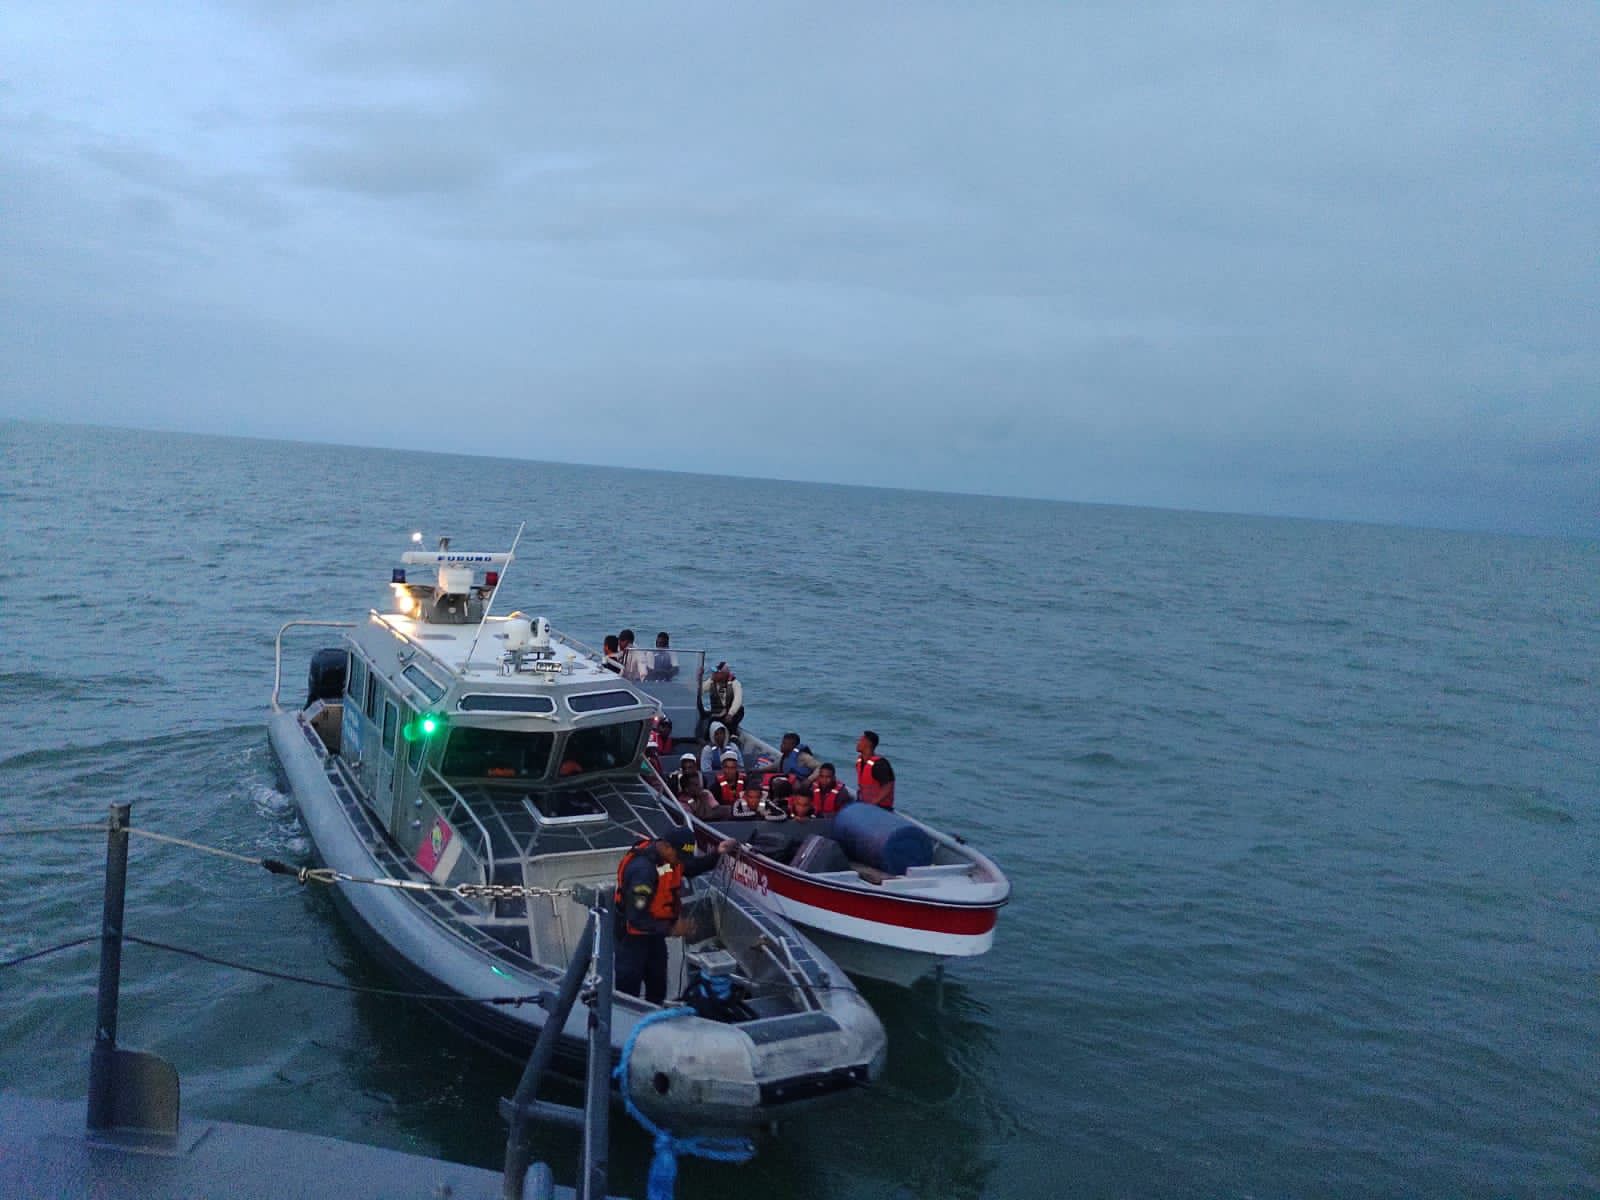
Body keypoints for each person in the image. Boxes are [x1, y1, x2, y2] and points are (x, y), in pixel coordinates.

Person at [614, 826, 736, 1004]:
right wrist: (672, 929)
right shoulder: (643, 871)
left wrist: (718, 852)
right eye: (678, 856)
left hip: (654, 936)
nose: (680, 861)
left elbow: (691, 867)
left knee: (657, 985)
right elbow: (636, 919)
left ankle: (655, 1018)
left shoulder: (671, 859)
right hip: (632, 940)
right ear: (666, 847)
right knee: (627, 991)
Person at [854, 730, 896, 809]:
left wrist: (872, 804)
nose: (858, 743)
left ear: (868, 744)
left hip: (880, 808)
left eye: (860, 740)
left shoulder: (879, 764)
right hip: (865, 803)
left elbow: (888, 786)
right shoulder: (860, 761)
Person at [701, 662, 745, 733]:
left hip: (729, 714)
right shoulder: (711, 681)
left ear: (723, 674)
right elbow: (700, 690)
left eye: (716, 672)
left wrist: (731, 713)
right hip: (717, 713)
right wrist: (699, 677)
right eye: (713, 672)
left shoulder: (735, 683)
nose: (713, 674)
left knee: (739, 710)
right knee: (707, 731)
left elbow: (738, 700)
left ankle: (733, 735)